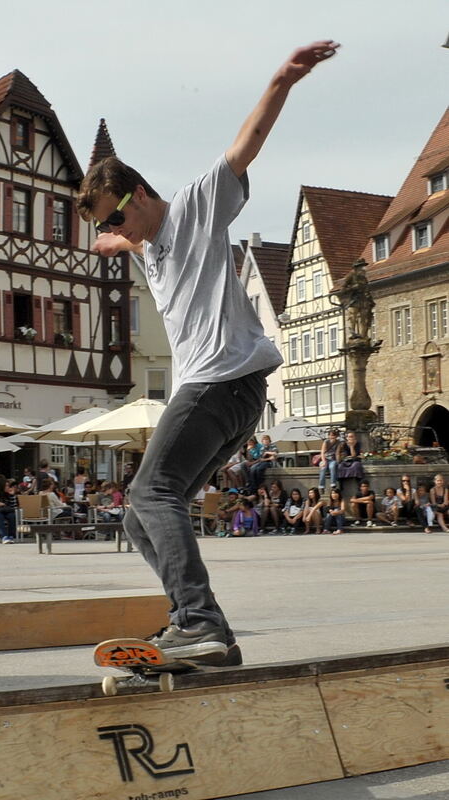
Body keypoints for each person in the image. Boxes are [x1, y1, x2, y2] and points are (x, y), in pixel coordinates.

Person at [77, 40, 340, 665]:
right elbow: (121, 243)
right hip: (232, 396)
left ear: (138, 194)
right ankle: (199, 630)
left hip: (219, 382)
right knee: (139, 518)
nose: (120, 235)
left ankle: (200, 622)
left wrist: (282, 80)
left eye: (120, 221)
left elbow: (247, 143)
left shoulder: (197, 205)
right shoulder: (144, 243)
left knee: (149, 495)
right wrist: (111, 241)